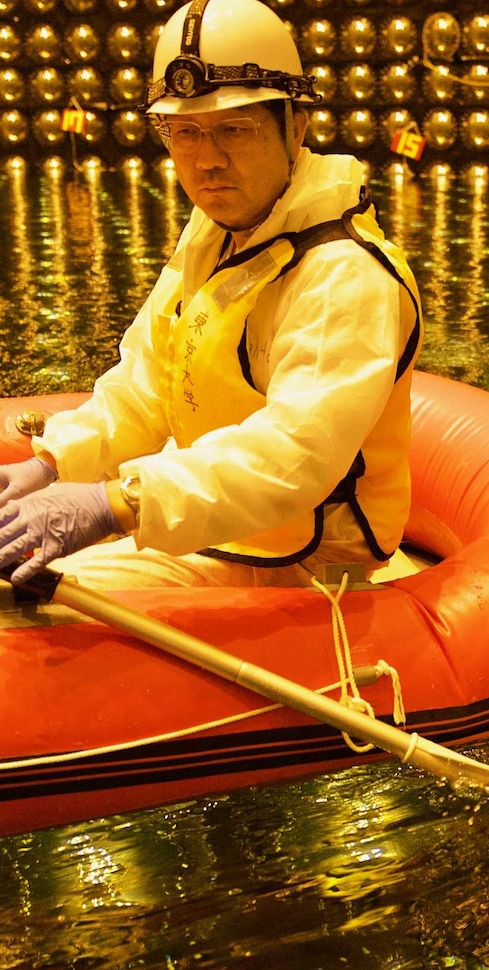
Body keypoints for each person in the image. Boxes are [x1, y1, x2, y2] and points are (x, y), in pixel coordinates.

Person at [0, 0, 422, 590]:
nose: (207, 160)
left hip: (306, 561)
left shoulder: (344, 273)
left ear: (295, 125)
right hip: (215, 529)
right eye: (185, 133)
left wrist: (113, 505)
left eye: (234, 130)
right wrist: (52, 464)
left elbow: (291, 457)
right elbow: (148, 383)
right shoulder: (218, 231)